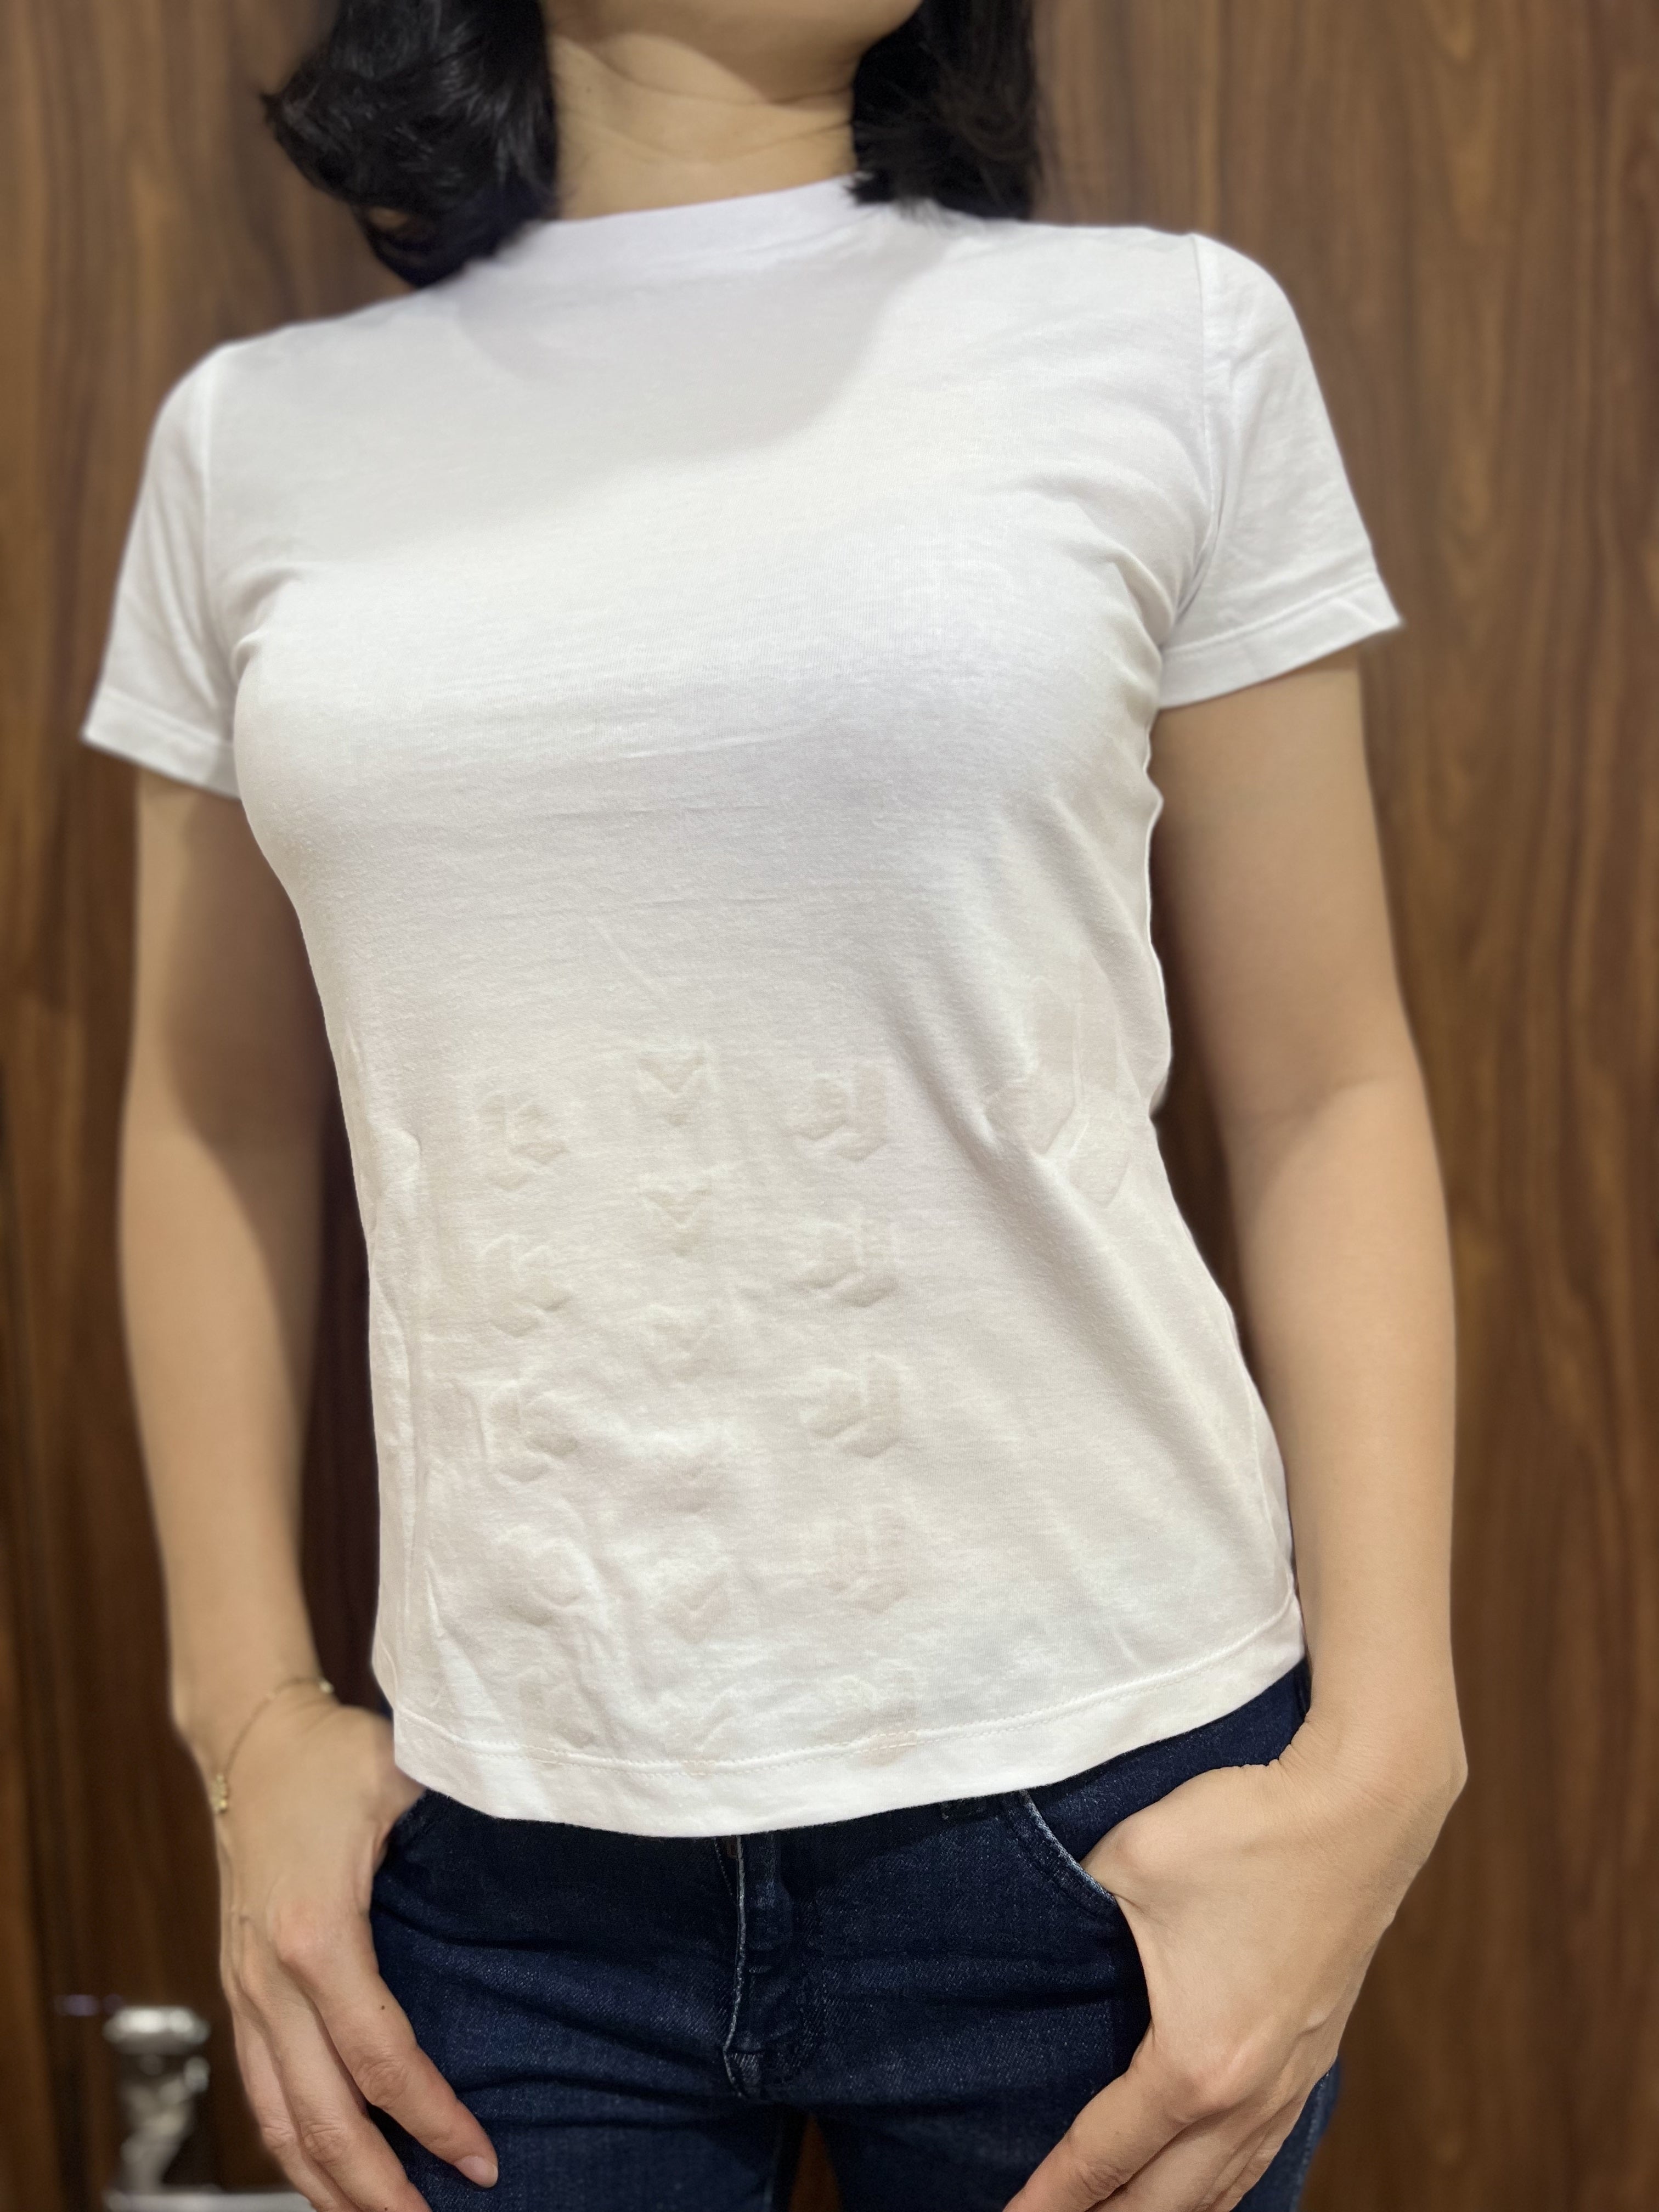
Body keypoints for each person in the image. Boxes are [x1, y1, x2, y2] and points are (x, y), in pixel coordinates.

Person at [80, 1, 1466, 2208]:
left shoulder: (1171, 343)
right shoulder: (256, 440)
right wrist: (245, 1723)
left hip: (1103, 1814)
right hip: (505, 1853)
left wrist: (1386, 1755)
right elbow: (213, 1123)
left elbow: (1324, 1085)